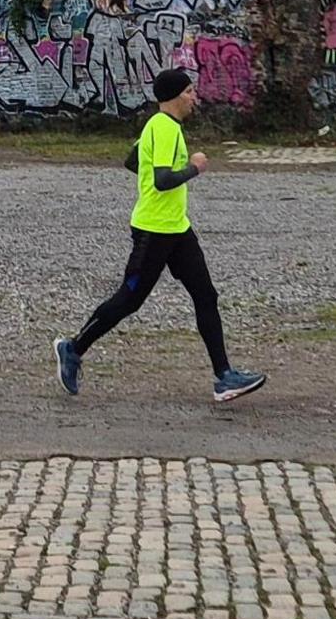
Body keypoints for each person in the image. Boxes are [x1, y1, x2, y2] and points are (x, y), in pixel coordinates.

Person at [55, 64, 263, 403]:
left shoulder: (158, 126)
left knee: (206, 296)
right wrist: (194, 168)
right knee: (129, 299)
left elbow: (132, 161)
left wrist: (157, 164)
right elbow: (162, 180)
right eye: (190, 91)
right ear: (174, 96)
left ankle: (224, 376)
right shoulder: (165, 128)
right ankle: (72, 348)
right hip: (153, 232)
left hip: (177, 229)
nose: (195, 97)